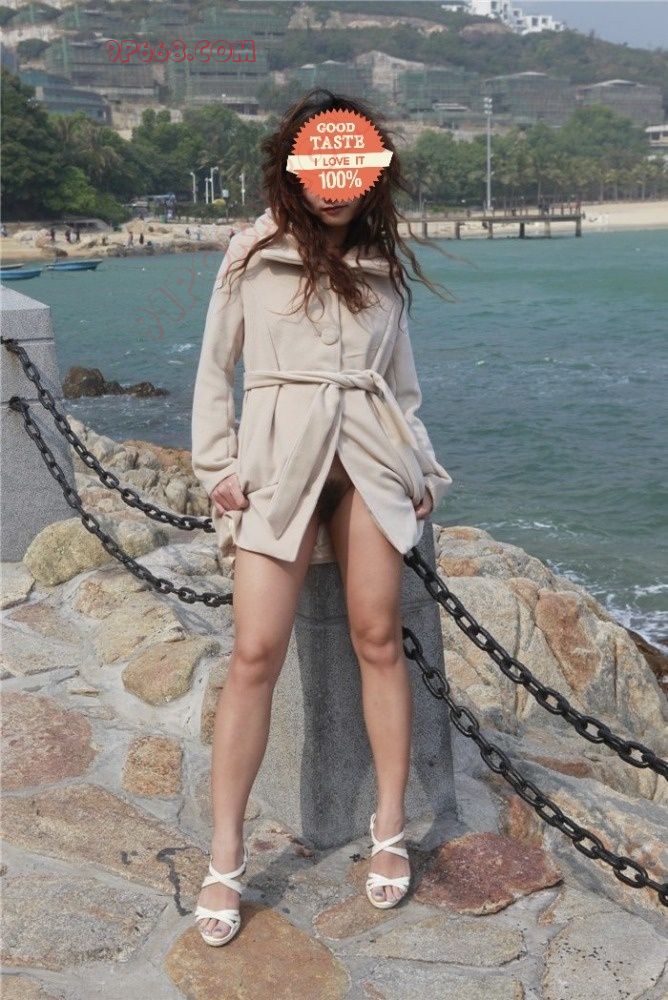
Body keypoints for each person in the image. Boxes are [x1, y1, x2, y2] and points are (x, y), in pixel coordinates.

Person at [190, 88, 454, 947]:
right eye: (322, 170)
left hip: (370, 466)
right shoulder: (253, 253)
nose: (335, 189)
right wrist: (217, 466)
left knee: (378, 639)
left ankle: (389, 828)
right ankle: (224, 857)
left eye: (351, 172)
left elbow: (402, 389)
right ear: (295, 170)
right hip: (278, 465)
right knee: (254, 654)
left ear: (371, 175)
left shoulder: (382, 265)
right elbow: (215, 368)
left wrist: (423, 469)